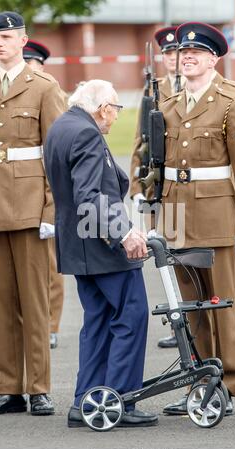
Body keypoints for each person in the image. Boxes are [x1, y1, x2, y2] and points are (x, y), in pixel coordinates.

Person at [157, 22, 235, 416]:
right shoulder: (167, 104)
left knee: (223, 304)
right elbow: (158, 166)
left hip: (218, 216)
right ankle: (198, 381)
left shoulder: (232, 100)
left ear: (214, 58)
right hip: (176, 217)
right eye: (183, 54)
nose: (187, 58)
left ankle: (226, 386)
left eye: (195, 53)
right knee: (189, 306)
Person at [44, 79, 158, 428]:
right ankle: (121, 398)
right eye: (116, 110)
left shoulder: (61, 126)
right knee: (131, 314)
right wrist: (123, 233)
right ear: (102, 108)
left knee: (96, 322)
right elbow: (90, 196)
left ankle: (87, 400)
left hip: (79, 245)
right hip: (100, 245)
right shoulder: (86, 133)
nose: (116, 119)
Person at [0, 11, 66, 416]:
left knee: (35, 302)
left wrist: (51, 209)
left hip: (31, 205)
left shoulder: (44, 87)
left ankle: (39, 388)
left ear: (23, 40)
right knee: (1, 302)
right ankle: (10, 388)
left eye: (7, 37)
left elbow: (58, 155)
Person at [130, 26, 185, 348]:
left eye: (177, 53)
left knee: (200, 261)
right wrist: (137, 184)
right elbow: (141, 141)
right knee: (171, 255)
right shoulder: (154, 89)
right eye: (167, 53)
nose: (172, 59)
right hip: (161, 187)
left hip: (194, 187)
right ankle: (181, 321)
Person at [23, 39, 65, 349]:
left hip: (46, 190)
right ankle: (28, 323)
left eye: (32, 63)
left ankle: (50, 324)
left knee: (49, 265)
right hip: (16, 191)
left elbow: (58, 151)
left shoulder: (50, 92)